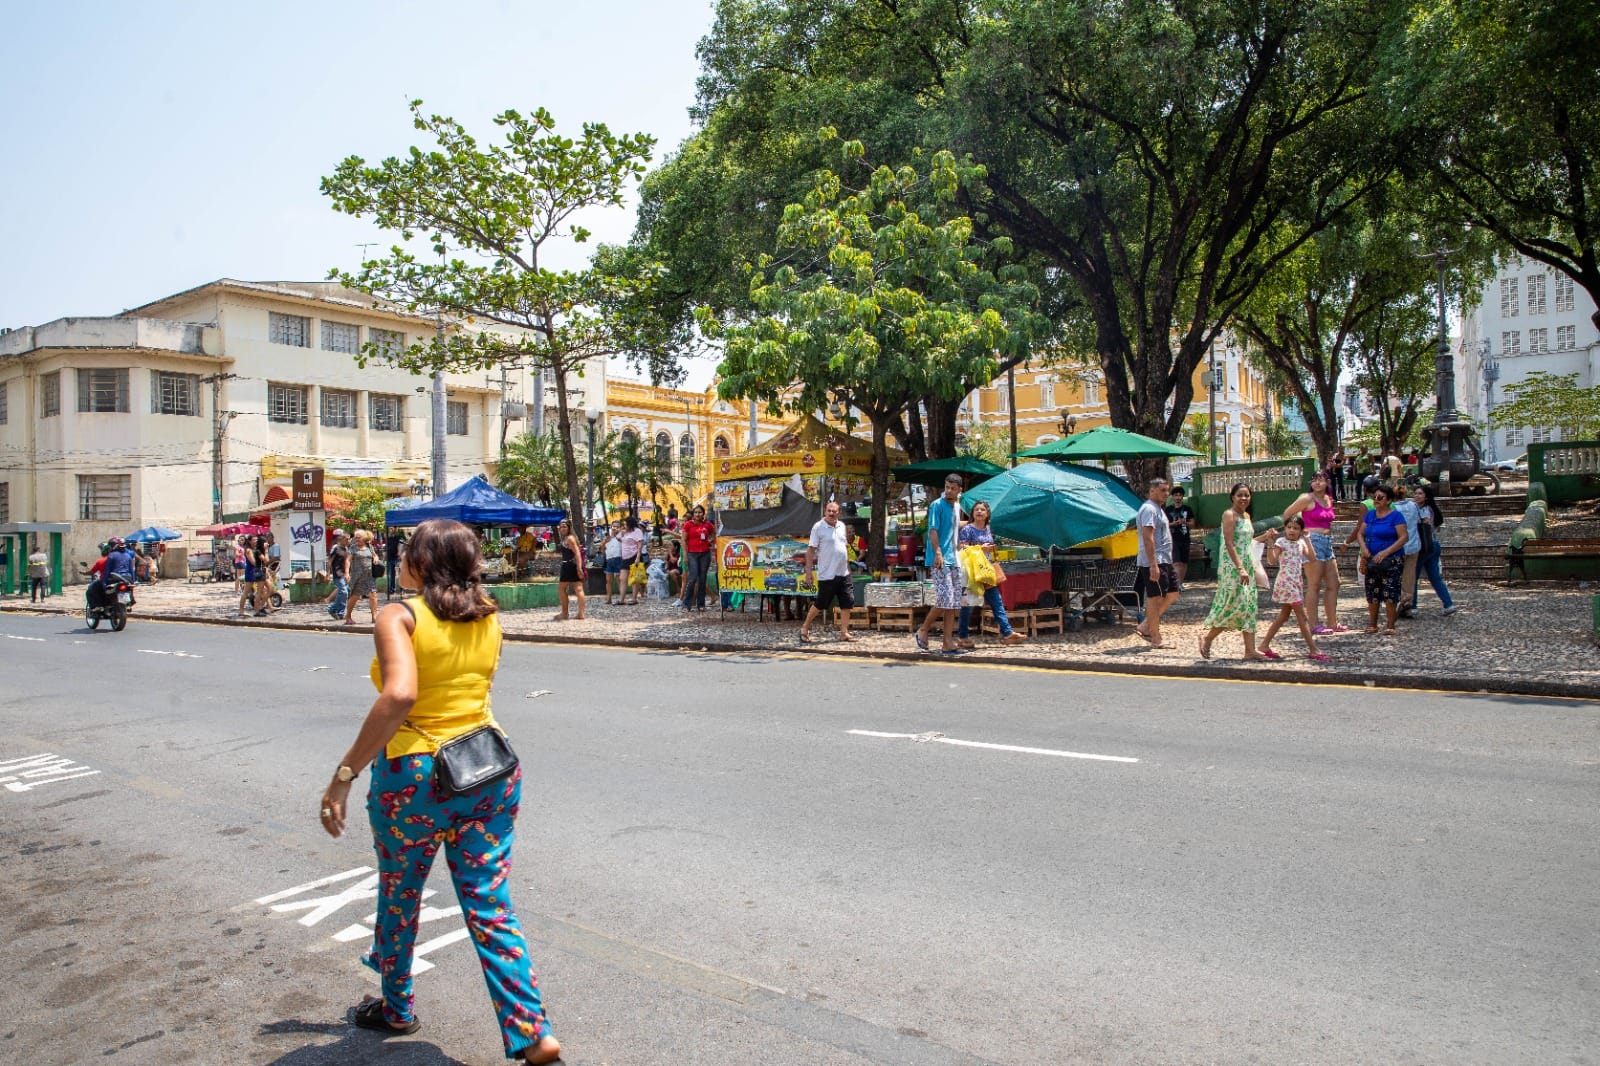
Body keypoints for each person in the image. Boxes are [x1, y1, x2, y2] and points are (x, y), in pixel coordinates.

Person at [316, 519, 562, 1064]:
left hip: (415, 778)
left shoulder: (398, 616)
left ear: (421, 562)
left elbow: (400, 694)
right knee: (490, 904)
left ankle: (396, 1006)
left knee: (400, 893)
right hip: (489, 770)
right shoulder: (488, 613)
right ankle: (532, 1031)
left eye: (408, 551)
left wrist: (344, 774)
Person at [1199, 483, 1264, 661]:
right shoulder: (1229, 515)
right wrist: (1240, 568)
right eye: (1240, 495)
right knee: (1234, 606)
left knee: (1249, 606)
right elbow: (1229, 543)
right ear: (1232, 497)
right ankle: (1208, 638)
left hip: (1247, 566)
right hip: (1233, 568)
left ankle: (1250, 650)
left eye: (1247, 495)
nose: (1244, 498)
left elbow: (1247, 542)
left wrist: (1265, 537)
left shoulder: (1247, 516)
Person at [1257, 515, 1328, 662]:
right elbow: (1271, 560)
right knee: (1302, 617)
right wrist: (1270, 542)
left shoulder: (1301, 543)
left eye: (1296, 528)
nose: (1291, 530)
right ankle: (1313, 649)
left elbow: (1312, 557)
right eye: (1289, 527)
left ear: (1301, 531)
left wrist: (1307, 539)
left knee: (1284, 615)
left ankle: (1264, 645)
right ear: (1285, 528)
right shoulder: (1281, 542)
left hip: (1296, 583)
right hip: (1286, 583)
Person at [1283, 471, 1346, 635]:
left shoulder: (1328, 499)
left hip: (1327, 541)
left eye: (1321, 480)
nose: (1317, 483)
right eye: (1314, 480)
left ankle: (1332, 621)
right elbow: (1287, 514)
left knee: (1334, 583)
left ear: (1327, 482)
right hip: (1313, 541)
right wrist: (1300, 532)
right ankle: (1313, 624)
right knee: (1314, 584)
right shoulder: (1306, 498)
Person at [955, 500, 1024, 648]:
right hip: (972, 572)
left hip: (986, 570)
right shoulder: (967, 530)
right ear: (973, 513)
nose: (979, 512)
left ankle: (1007, 633)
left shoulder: (987, 529)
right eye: (976, 510)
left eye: (982, 510)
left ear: (987, 514)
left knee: (996, 601)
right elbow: (962, 549)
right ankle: (962, 636)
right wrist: (980, 549)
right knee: (968, 604)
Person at [914, 474, 966, 655]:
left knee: (953, 603)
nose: (949, 491)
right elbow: (933, 530)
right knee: (945, 599)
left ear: (959, 490)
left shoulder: (957, 506)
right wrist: (938, 552)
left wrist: (976, 522)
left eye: (953, 488)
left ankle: (947, 643)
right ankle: (923, 629)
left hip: (954, 558)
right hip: (940, 560)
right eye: (947, 487)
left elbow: (954, 526)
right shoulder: (936, 505)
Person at [800, 501, 860, 643]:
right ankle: (805, 628)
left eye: (834, 511)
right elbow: (810, 552)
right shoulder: (818, 527)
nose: (831, 513)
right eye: (829, 511)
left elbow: (843, 549)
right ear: (825, 512)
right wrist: (808, 573)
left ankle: (844, 632)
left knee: (848, 601)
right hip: (827, 573)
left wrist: (848, 569)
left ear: (839, 513)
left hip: (843, 572)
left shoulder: (842, 526)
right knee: (821, 603)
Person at [1133, 478, 1180, 648]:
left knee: (1173, 592)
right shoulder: (1149, 509)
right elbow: (1148, 537)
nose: (1166, 494)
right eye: (1162, 490)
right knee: (1155, 598)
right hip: (1154, 561)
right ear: (1152, 491)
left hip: (1165, 560)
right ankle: (1155, 638)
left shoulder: (1158, 509)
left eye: (1167, 490)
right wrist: (1153, 564)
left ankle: (1146, 624)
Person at [1357, 483, 1407, 635]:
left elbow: (1403, 537)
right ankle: (1373, 624)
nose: (1377, 500)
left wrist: (1386, 552)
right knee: (1372, 591)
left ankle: (1390, 625)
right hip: (1372, 559)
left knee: (1390, 592)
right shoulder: (1370, 515)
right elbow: (1360, 533)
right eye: (1375, 497)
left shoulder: (1396, 516)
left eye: (1381, 497)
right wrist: (1364, 549)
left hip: (1391, 560)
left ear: (1389, 500)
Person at [1409, 484, 1460, 616]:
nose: (1416, 496)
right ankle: (1448, 604)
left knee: (1413, 576)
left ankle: (1412, 606)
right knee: (1435, 577)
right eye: (1415, 493)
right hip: (1434, 545)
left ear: (1426, 497)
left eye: (1420, 493)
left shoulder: (1422, 510)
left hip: (1423, 546)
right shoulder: (1432, 509)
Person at [1392, 484, 1423, 619]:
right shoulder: (1413, 506)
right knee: (1409, 575)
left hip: (1397, 546)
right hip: (1413, 544)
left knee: (1396, 575)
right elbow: (1418, 521)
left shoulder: (1393, 508)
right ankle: (1408, 601)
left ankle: (1399, 600)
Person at [681, 505, 715, 612]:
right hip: (692, 554)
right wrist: (685, 555)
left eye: (700, 512)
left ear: (703, 514)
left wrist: (710, 541)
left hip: (705, 554)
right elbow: (683, 540)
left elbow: (714, 533)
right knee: (693, 578)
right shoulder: (688, 525)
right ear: (693, 514)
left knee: (702, 579)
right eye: (696, 512)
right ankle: (686, 604)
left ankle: (701, 604)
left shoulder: (707, 524)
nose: (697, 514)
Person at [552, 518, 587, 620]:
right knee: (578, 589)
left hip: (569, 566)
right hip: (571, 565)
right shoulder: (569, 538)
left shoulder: (570, 538)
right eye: (561, 527)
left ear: (569, 528)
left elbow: (577, 553)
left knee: (562, 588)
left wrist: (579, 568)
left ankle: (565, 613)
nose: (562, 529)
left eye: (564, 527)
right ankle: (580, 614)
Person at [1163, 485, 1196, 588]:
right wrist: (1173, 524)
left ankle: (1180, 583)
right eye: (1176, 495)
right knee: (1176, 562)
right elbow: (1164, 524)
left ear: (1182, 497)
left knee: (1184, 562)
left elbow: (1193, 524)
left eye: (1180, 495)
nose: (1178, 497)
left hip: (1185, 538)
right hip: (1173, 539)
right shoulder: (1168, 510)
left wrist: (1184, 522)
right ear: (1172, 497)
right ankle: (1176, 584)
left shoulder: (1187, 509)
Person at [344, 529, 379, 625]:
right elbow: (347, 560)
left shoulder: (369, 547)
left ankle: (374, 616)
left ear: (364, 538)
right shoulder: (353, 548)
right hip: (357, 577)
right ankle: (348, 616)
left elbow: (375, 555)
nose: (357, 539)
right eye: (355, 537)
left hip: (369, 576)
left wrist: (375, 558)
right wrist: (346, 573)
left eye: (358, 537)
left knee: (373, 595)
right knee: (355, 596)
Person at [618, 517, 647, 605]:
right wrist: (621, 533)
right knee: (622, 578)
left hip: (634, 556)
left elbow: (640, 544)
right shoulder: (625, 532)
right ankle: (621, 599)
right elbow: (619, 539)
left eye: (625, 524)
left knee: (635, 578)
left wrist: (638, 557)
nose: (624, 526)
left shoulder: (637, 531)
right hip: (625, 557)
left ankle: (634, 598)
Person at [327, 530, 352, 620]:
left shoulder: (347, 549)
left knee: (346, 592)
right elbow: (330, 561)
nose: (348, 541)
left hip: (345, 574)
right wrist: (327, 573)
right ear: (341, 539)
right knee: (343, 591)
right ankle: (332, 608)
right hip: (338, 573)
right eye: (346, 539)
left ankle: (341, 612)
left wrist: (348, 573)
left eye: (349, 539)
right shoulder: (336, 548)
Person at [601, 521, 625, 605]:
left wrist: (618, 536)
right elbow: (602, 549)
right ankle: (609, 599)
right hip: (609, 559)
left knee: (619, 579)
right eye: (613, 526)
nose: (615, 528)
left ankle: (622, 598)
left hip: (618, 558)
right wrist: (605, 542)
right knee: (608, 580)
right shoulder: (607, 537)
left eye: (617, 527)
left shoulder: (621, 536)